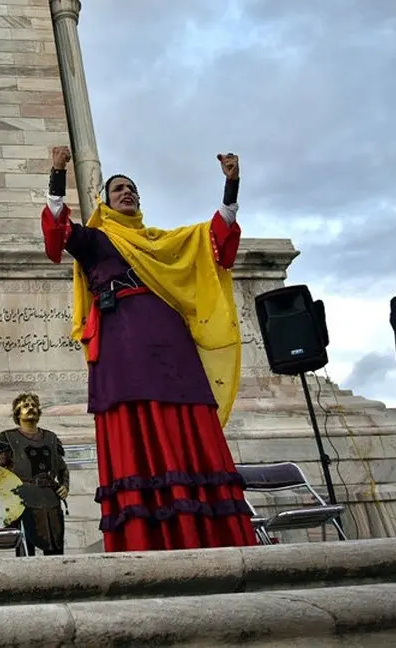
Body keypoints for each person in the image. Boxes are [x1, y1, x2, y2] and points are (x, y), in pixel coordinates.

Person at [42, 145, 256, 552]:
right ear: (105, 202)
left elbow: (214, 239)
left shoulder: (163, 242)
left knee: (186, 420)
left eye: (133, 189)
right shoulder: (95, 239)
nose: (127, 193)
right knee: (134, 424)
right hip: (121, 345)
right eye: (118, 189)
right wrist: (57, 175)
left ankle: (210, 532)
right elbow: (57, 235)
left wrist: (231, 185)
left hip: (171, 343)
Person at [0, 393, 69, 556]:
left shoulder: (51, 438)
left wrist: (64, 486)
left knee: (56, 546)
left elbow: (62, 468)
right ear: (17, 413)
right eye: (26, 406)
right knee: (26, 549)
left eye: (34, 405)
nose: (31, 408)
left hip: (50, 497)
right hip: (22, 498)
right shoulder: (7, 438)